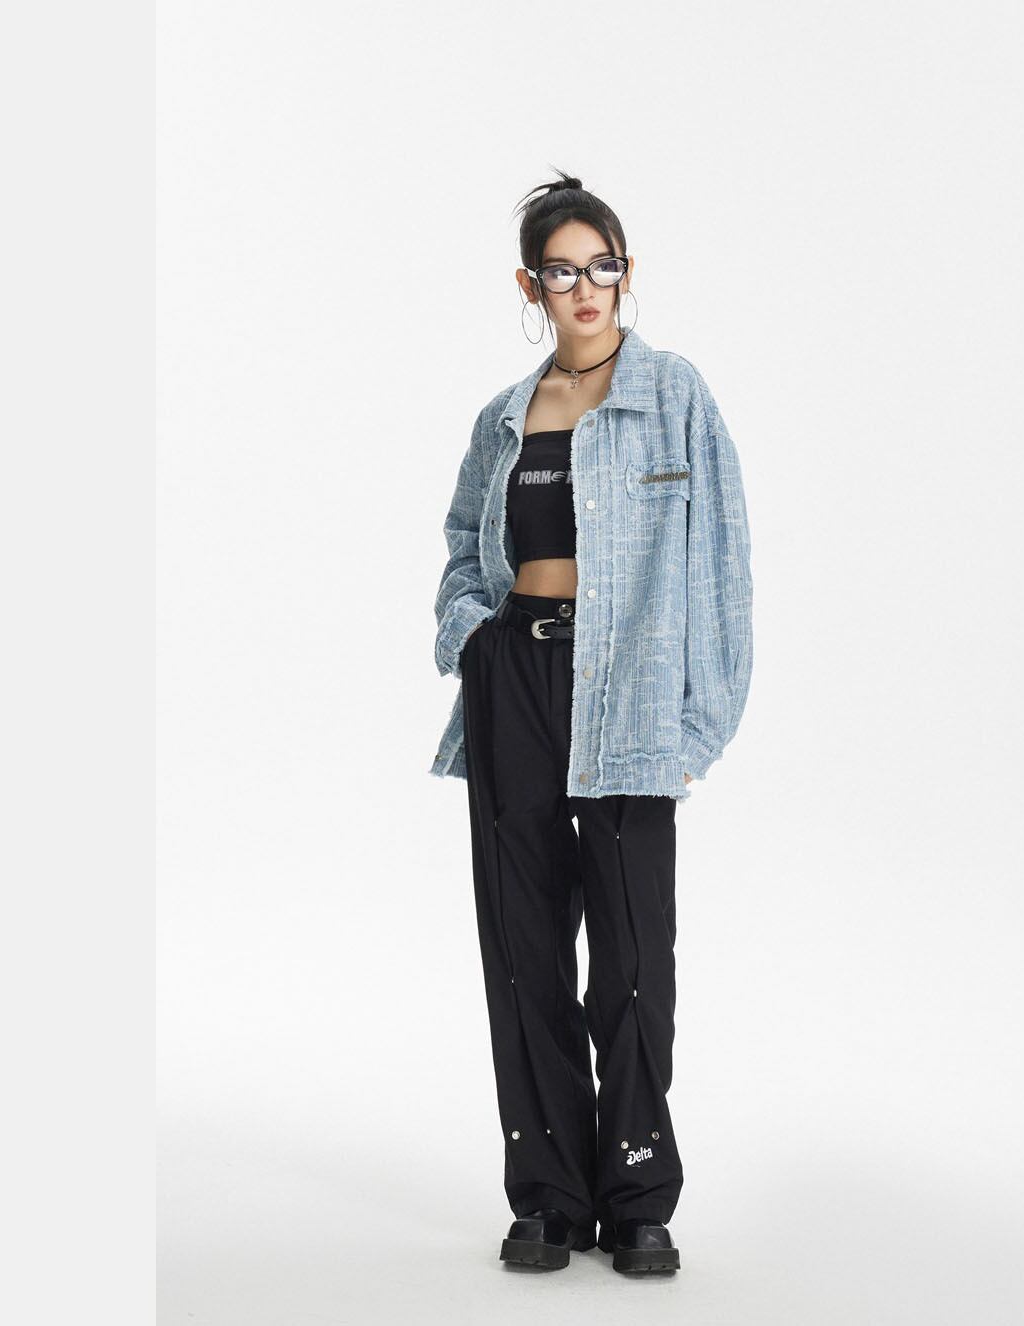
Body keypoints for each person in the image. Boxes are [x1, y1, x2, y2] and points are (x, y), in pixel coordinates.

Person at [429, 171, 753, 1273]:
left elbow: (723, 567)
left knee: (630, 953)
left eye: (601, 266)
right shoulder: (505, 416)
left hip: (631, 690)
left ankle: (639, 1192)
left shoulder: (673, 395)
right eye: (562, 271)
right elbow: (464, 548)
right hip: (516, 678)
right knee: (524, 947)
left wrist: (699, 726)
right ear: (531, 285)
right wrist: (473, 642)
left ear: (627, 271)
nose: (585, 288)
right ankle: (548, 1194)